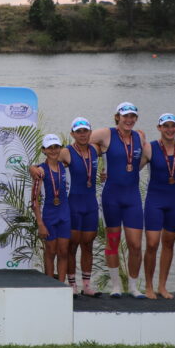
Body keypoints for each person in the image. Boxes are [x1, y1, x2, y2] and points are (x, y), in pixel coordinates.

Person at [31, 117, 102, 296]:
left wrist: (105, 171)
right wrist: (31, 168)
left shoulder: (96, 148)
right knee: (65, 248)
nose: (82, 134)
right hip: (70, 207)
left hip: (88, 205)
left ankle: (85, 285)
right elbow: (41, 166)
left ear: (90, 132)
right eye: (78, 131)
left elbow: (117, 147)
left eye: (86, 130)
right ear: (72, 134)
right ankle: (68, 285)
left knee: (86, 245)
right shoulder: (65, 154)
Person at [90, 102, 148, 299]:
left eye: (133, 116)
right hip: (111, 196)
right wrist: (98, 161)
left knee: (135, 245)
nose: (129, 120)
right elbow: (80, 141)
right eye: (125, 116)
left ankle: (133, 286)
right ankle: (115, 286)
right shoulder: (105, 133)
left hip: (132, 197)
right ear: (117, 117)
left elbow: (142, 160)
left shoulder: (140, 136)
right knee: (113, 242)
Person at [141, 113, 175, 299]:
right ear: (159, 128)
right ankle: (148, 286)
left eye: (173, 126)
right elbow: (130, 169)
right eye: (166, 126)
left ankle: (162, 286)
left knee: (169, 243)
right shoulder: (150, 148)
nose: (170, 130)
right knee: (152, 243)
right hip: (155, 200)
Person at [32, 134, 72, 285]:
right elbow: (34, 200)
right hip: (48, 214)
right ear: (44, 150)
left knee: (63, 252)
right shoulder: (40, 171)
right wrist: (40, 223)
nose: (54, 150)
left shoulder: (66, 167)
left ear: (61, 149)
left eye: (56, 147)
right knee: (50, 251)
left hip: (64, 214)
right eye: (50, 148)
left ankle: (61, 285)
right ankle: (50, 286)